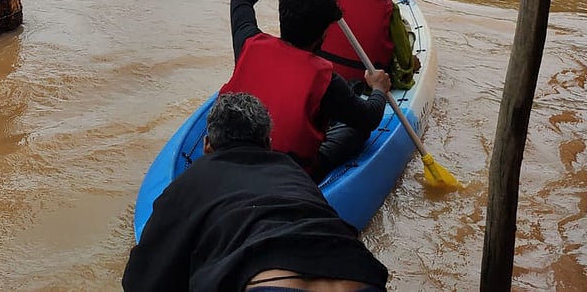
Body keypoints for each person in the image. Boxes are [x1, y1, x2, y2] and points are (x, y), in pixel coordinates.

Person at [122, 92, 389, 291]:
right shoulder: (294, 172)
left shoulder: (188, 183)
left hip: (270, 281)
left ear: (206, 146)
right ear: (268, 143)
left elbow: (143, 280)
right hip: (360, 274)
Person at [221, 0, 391, 182]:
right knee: (356, 129)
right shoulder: (326, 80)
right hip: (288, 175)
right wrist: (379, 89)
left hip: (227, 156)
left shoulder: (248, 42)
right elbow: (370, 118)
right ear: (322, 35)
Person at [317, 0, 420, 91]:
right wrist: (410, 65)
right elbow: (403, 63)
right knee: (407, 30)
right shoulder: (388, 9)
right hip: (368, 84)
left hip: (324, 77)